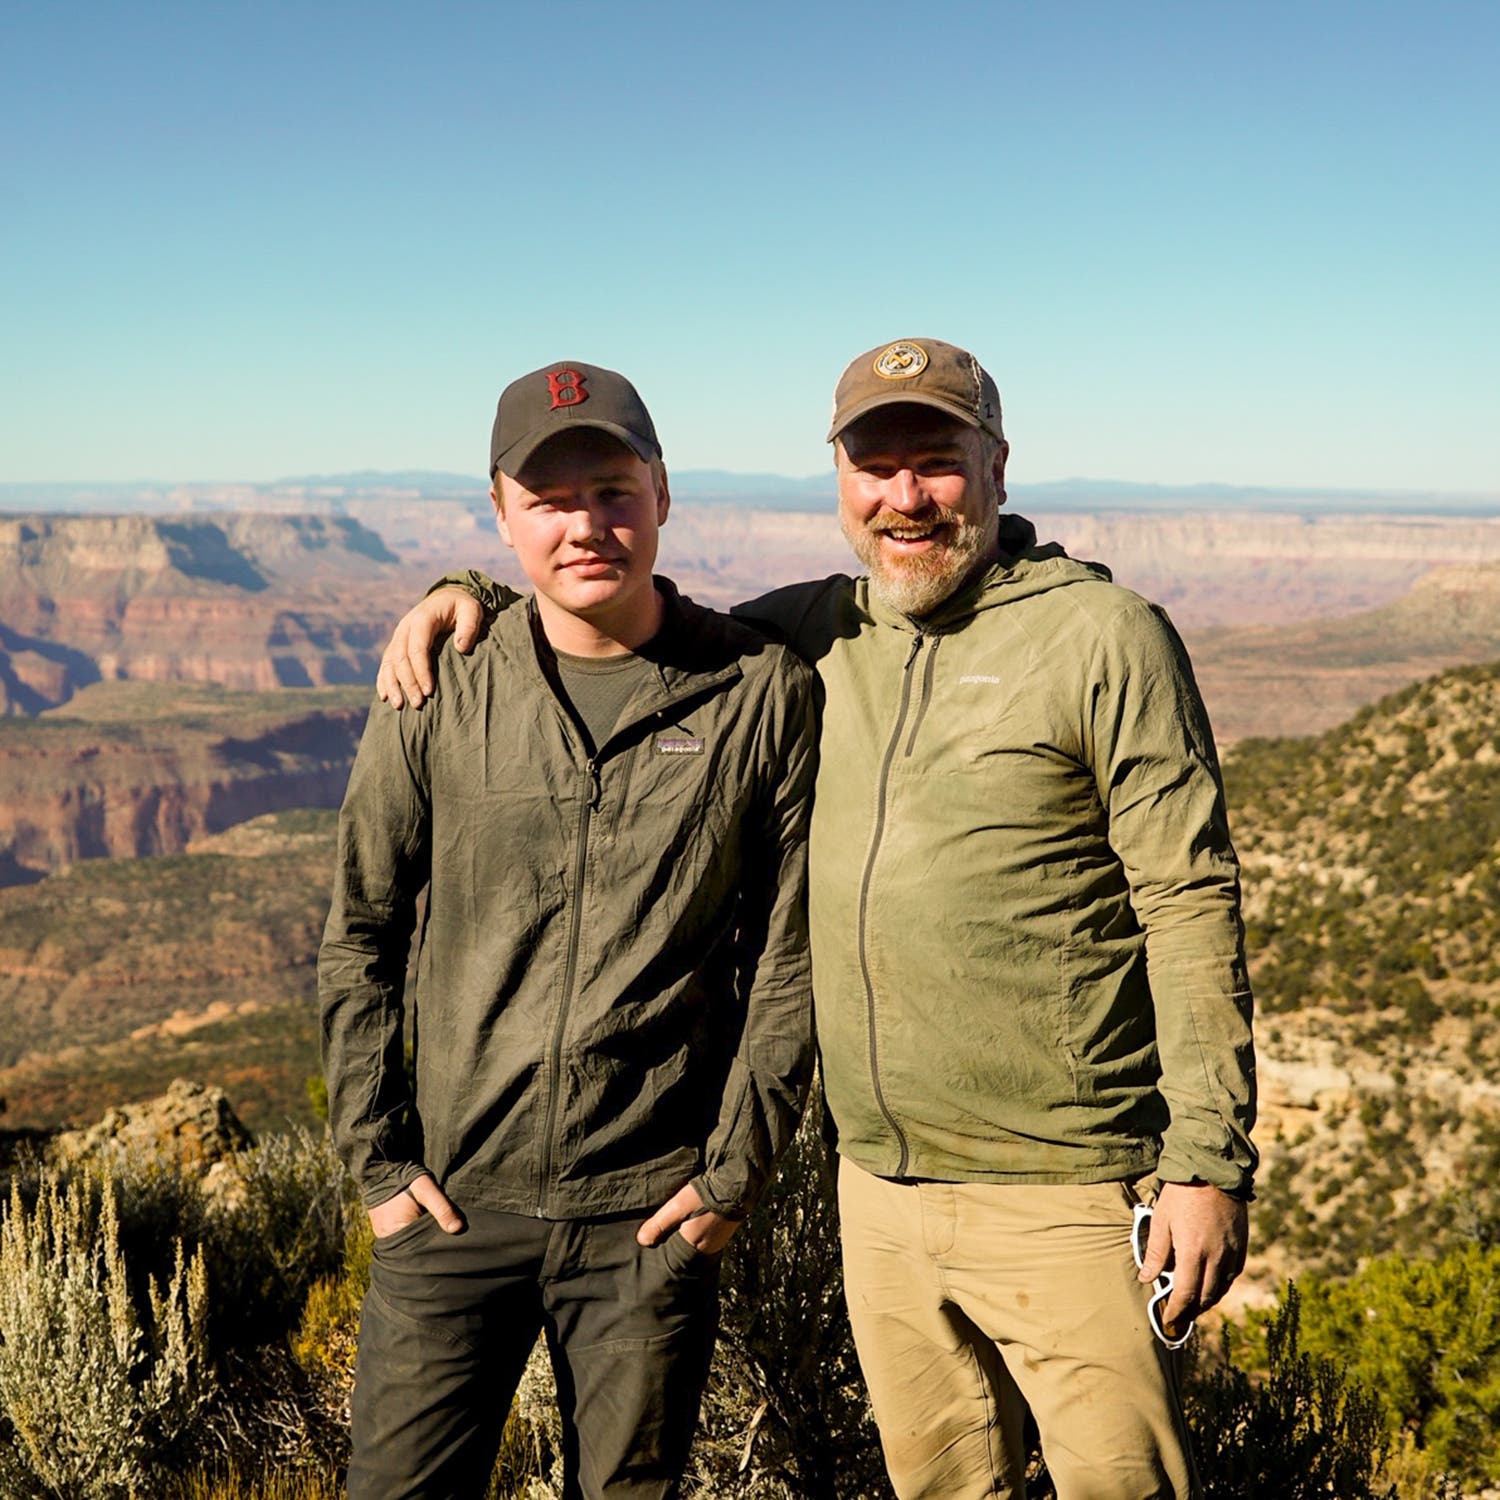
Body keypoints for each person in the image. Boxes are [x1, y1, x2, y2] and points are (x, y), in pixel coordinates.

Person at [377, 339, 1256, 1500]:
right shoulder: (810, 633)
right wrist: (473, 597)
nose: (905, 497)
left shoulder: (1104, 637)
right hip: (879, 1194)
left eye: (936, 462)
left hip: (1069, 1190)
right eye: (874, 467)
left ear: (996, 467)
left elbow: (1190, 898)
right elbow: (615, 608)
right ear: (839, 479)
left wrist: (1207, 1162)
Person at [320, 360, 816, 1500]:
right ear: (501, 515)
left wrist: (733, 1176)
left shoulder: (757, 692)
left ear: (662, 495)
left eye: (613, 492)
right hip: (450, 1208)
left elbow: (789, 962)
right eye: (549, 501)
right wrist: (380, 1166)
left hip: (647, 1221)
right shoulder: (441, 684)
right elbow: (362, 932)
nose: (585, 526)